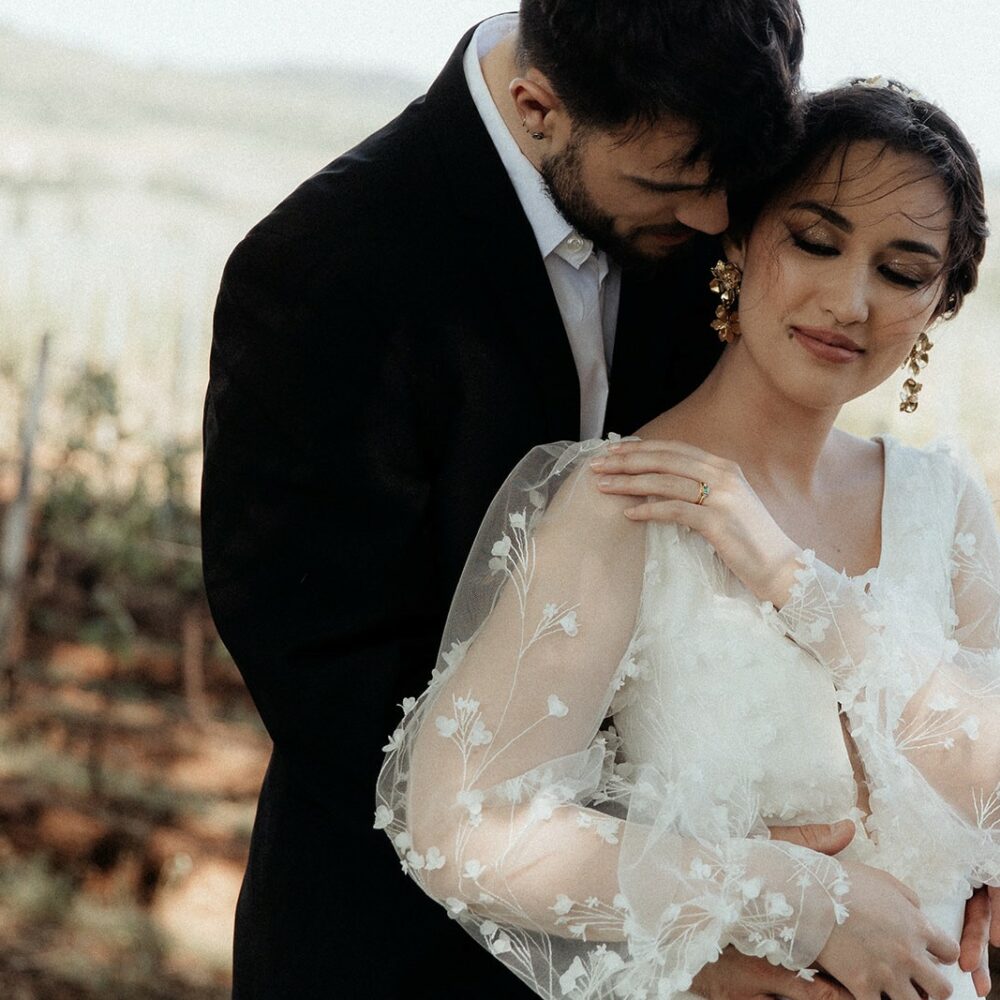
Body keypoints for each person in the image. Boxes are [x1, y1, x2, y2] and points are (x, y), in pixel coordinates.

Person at [201, 2, 829, 997]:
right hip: (402, 941)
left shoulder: (701, 176)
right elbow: (323, 657)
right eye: (671, 185)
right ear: (538, 108)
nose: (716, 224)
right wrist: (644, 898)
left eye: (729, 187)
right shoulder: (323, 265)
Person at [376, 80, 1000, 1000]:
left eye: (902, 272)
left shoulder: (942, 506)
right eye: (816, 241)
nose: (849, 300)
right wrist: (795, 898)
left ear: (938, 304)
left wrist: (797, 583)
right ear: (740, 239)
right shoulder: (625, 500)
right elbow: (461, 827)